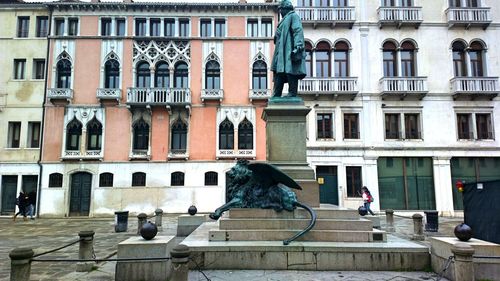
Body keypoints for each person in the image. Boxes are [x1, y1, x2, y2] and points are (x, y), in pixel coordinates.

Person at [271, 0, 306, 98]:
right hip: (281, 49)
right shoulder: (284, 19)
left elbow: (297, 30)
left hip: (288, 48)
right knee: (279, 71)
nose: (280, 12)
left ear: (285, 9)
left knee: (291, 70)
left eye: (281, 10)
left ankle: (292, 93)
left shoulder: (293, 16)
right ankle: (276, 93)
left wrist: (298, 45)